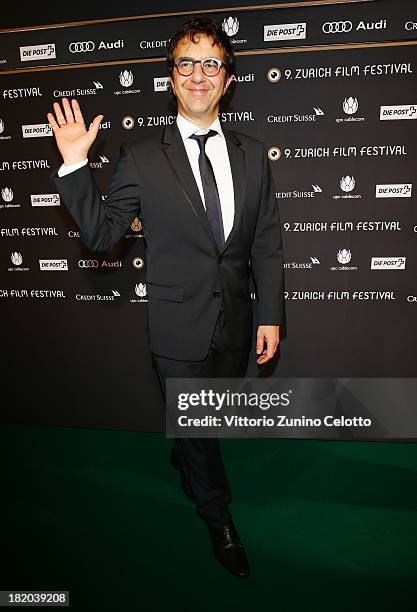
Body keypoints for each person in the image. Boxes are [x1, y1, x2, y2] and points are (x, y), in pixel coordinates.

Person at [47, 16, 285, 578]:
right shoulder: (141, 156)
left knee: (208, 417)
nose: (198, 74)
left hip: (236, 322)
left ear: (227, 81)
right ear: (170, 78)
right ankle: (218, 515)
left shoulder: (254, 154)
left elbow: (267, 242)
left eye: (211, 64)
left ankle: (184, 452)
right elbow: (103, 236)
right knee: (199, 430)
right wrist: (76, 163)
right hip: (176, 327)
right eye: (186, 62)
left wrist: (269, 315)